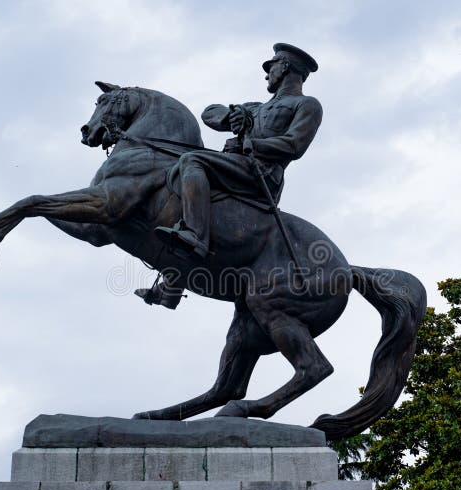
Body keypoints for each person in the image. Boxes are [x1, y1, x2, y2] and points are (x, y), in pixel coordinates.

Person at [136, 43, 322, 309]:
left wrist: (253, 145)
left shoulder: (306, 105)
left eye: (271, 67)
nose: (267, 73)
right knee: (185, 190)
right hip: (234, 166)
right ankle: (172, 286)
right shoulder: (256, 108)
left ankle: (196, 238)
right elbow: (209, 112)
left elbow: (295, 146)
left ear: (285, 67)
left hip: (261, 174)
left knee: (192, 161)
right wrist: (231, 115)